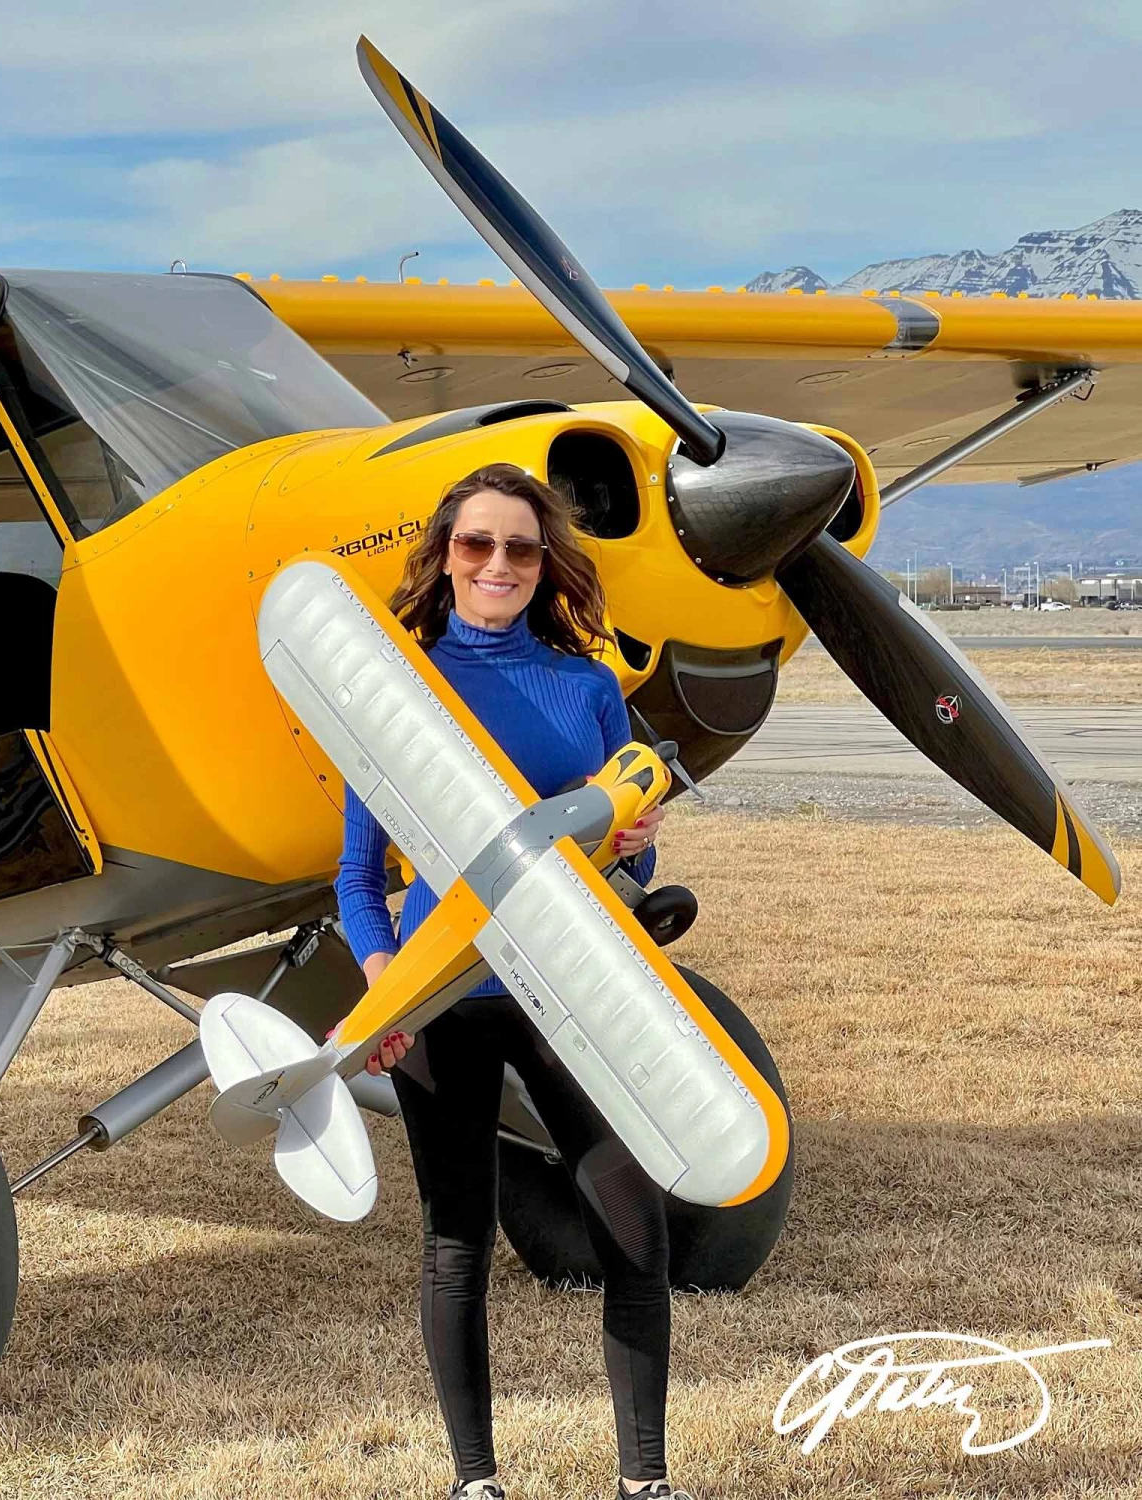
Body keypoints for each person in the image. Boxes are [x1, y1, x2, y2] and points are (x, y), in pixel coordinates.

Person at [334, 464, 688, 1500]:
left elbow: (628, 859)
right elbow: (358, 875)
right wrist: (387, 988)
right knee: (457, 1242)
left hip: (570, 992)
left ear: (545, 564)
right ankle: (476, 1482)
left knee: (635, 1229)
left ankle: (646, 1482)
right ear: (446, 558)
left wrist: (637, 846)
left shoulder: (589, 687)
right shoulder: (398, 693)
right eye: (477, 543)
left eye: (521, 547)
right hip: (444, 1002)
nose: (498, 563)